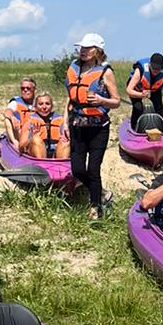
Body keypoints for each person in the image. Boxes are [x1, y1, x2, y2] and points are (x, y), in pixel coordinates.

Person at [66, 35, 120, 223]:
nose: (83, 50)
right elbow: (70, 98)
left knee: (93, 169)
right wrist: (65, 123)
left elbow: (116, 101)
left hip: (98, 128)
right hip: (77, 126)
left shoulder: (106, 72)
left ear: (97, 50)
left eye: (88, 48)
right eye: (82, 47)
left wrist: (101, 100)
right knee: (77, 169)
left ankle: (95, 208)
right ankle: (102, 193)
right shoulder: (74, 68)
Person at [21, 90, 70, 160]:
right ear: (35, 106)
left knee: (65, 142)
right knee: (36, 139)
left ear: (52, 106)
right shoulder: (29, 121)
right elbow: (21, 147)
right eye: (40, 104)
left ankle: (61, 165)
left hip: (55, 155)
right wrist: (31, 138)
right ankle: (41, 164)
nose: (44, 107)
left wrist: (67, 138)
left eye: (47, 104)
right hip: (36, 154)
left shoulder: (61, 121)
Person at [125, 53, 163, 130]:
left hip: (154, 90)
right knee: (138, 108)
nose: (155, 71)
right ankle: (134, 128)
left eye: (158, 69)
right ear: (149, 65)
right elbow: (129, 90)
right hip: (137, 89)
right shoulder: (140, 70)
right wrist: (141, 95)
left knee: (160, 111)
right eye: (153, 68)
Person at [3, 76, 38, 149]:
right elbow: (7, 111)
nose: (25, 90)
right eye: (22, 88)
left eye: (28, 88)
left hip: (34, 131)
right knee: (7, 120)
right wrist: (12, 117)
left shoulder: (40, 103)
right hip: (19, 132)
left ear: (34, 90)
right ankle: (14, 142)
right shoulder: (15, 102)